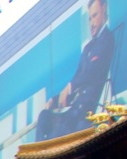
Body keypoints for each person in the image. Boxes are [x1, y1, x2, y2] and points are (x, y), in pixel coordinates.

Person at [36, 0, 115, 142]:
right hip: (73, 112)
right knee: (44, 116)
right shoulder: (88, 48)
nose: (91, 23)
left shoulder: (107, 39)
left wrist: (71, 87)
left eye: (95, 16)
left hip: (85, 114)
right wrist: (55, 100)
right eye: (89, 18)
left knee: (54, 137)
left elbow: (91, 72)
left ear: (104, 9)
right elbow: (76, 78)